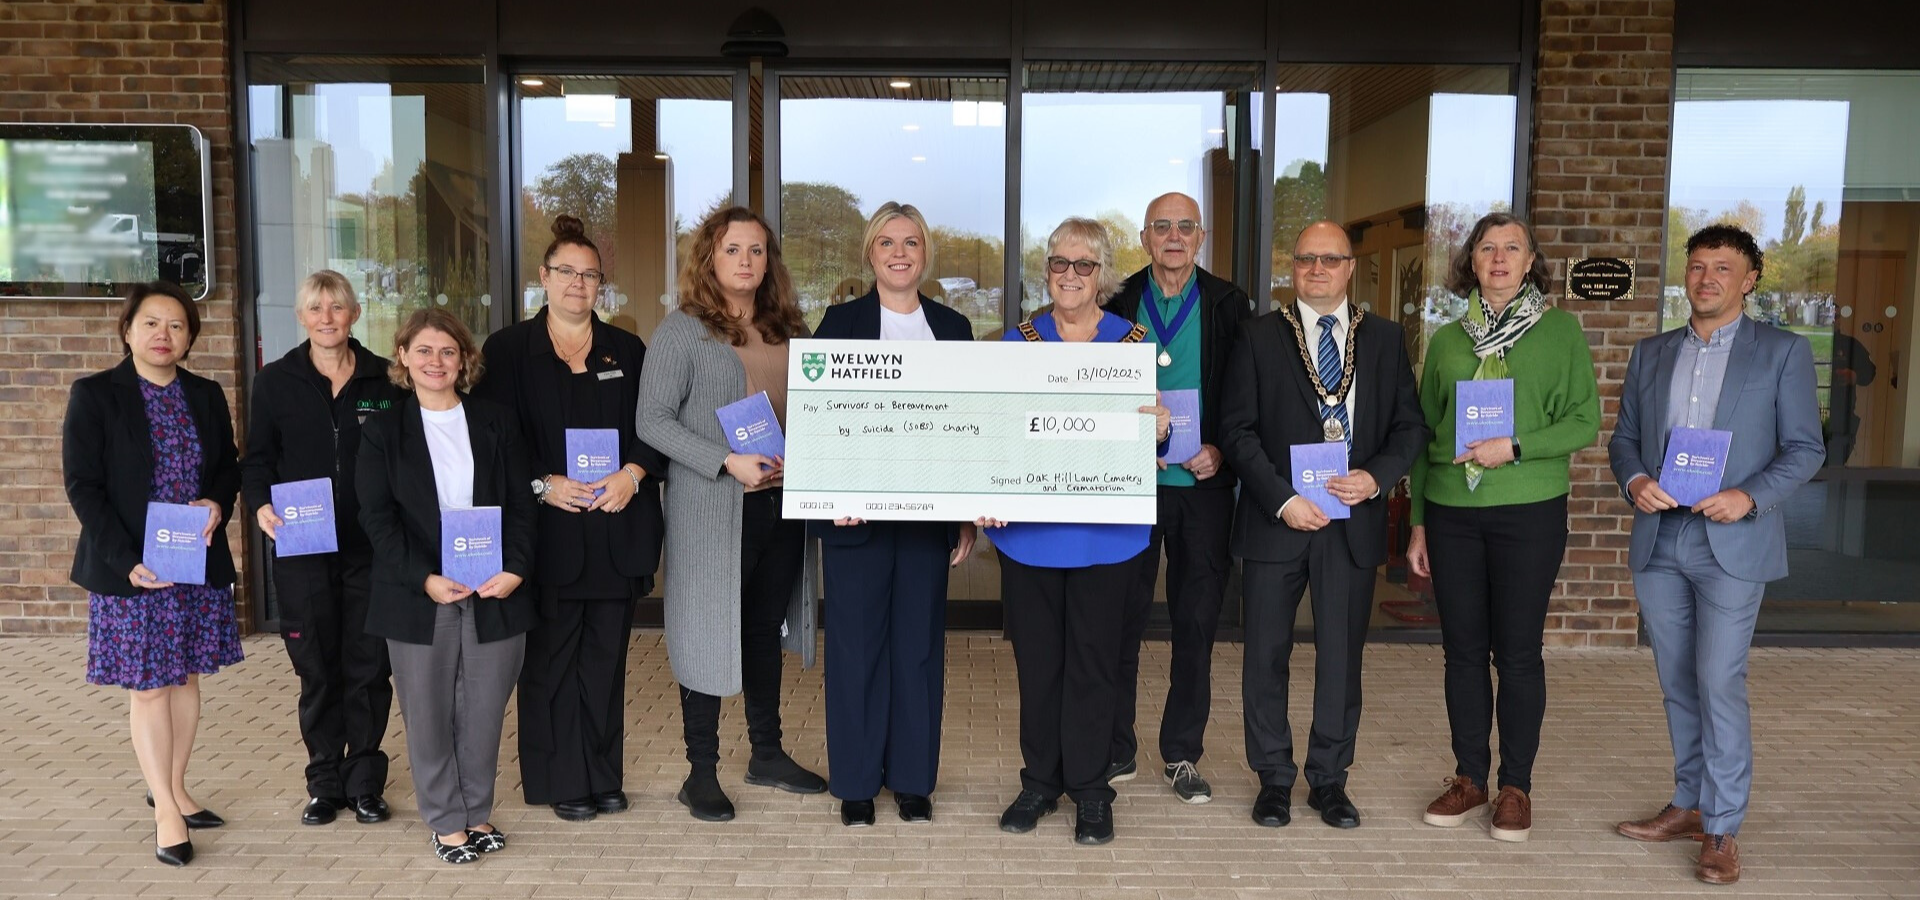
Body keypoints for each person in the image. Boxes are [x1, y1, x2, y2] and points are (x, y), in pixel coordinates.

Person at [1607, 224, 1823, 885]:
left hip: (1732, 538)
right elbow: (1625, 441)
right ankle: (1689, 802)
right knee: (1677, 681)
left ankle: (1723, 827)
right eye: (1697, 267)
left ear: (1749, 278)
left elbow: (1805, 450)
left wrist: (1749, 498)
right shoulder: (1650, 353)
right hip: (1661, 536)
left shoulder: (1782, 352)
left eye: (1721, 268)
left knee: (1718, 680)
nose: (1705, 279)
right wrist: (1636, 480)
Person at [1219, 221, 1426, 829]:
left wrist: (1377, 479)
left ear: (1350, 267)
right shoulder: (1258, 336)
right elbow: (1236, 429)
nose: (1317, 269)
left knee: (1341, 659)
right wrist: (1282, 499)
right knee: (1265, 655)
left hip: (1351, 521)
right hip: (1276, 521)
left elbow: (1410, 428)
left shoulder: (1385, 339)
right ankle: (1274, 779)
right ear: (1293, 266)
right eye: (1306, 259)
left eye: (1330, 259)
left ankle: (1329, 781)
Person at [1406, 212, 1599, 842]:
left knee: (1516, 653)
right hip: (1452, 513)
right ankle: (1469, 777)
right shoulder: (1446, 339)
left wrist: (1513, 446)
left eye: (1512, 247)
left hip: (1528, 509)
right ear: (1471, 261)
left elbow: (1584, 423)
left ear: (1530, 260)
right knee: (1461, 652)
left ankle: (1516, 786)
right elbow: (1422, 436)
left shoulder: (1560, 332)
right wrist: (1417, 525)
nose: (1498, 257)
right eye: (1487, 247)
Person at [472, 216, 666, 823]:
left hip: (614, 530)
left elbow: (654, 430)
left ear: (600, 285)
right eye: (566, 272)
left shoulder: (627, 349)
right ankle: (562, 779)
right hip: (547, 533)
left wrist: (632, 475)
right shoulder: (507, 351)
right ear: (544, 277)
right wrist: (541, 482)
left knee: (605, 663)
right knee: (551, 662)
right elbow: (493, 440)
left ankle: (603, 774)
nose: (578, 284)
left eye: (589, 275)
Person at [637, 206, 825, 823]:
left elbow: (809, 413)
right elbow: (652, 422)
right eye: (733, 250)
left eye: (757, 251)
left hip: (779, 508)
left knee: (762, 631)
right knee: (707, 629)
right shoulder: (683, 330)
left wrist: (805, 458)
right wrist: (724, 460)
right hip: (714, 513)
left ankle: (766, 753)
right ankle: (701, 773)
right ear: (709, 259)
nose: (746, 261)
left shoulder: (787, 328)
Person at [989, 217, 1170, 846]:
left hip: (1108, 534)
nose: (1070, 276)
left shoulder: (1131, 345)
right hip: (1030, 535)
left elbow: (1152, 436)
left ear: (1102, 275)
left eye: (1083, 265)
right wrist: (982, 489)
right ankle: (1040, 781)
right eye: (1059, 264)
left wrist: (1161, 427)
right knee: (1038, 666)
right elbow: (995, 431)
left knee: (1095, 666)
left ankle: (1092, 791)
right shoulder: (1017, 342)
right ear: (1047, 272)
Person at [63, 281, 243, 867]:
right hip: (133, 568)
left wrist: (217, 503)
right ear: (128, 330)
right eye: (151, 323)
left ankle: (177, 785)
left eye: (176, 326)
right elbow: (83, 487)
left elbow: (228, 469)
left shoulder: (205, 394)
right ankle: (165, 808)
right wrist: (126, 559)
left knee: (186, 679)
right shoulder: (96, 395)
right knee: (151, 687)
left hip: (193, 562)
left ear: (190, 337)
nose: (163, 335)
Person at [811, 202, 977, 828]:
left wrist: (964, 515)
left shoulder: (954, 328)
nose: (899, 252)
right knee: (855, 648)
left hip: (927, 521)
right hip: (856, 519)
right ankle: (855, 782)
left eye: (911, 242)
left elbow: (966, 430)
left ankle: (912, 779)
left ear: (925, 253)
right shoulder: (839, 323)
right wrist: (830, 497)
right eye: (887, 242)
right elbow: (821, 421)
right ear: (870, 253)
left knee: (917, 650)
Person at [356, 308, 536, 864]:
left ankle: (476, 810)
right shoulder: (384, 429)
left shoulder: (496, 421)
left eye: (448, 351)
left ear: (465, 360)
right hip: (419, 594)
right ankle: (444, 819)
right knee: (428, 710)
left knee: (483, 708)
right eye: (425, 351)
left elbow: (524, 505)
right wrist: (424, 578)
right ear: (404, 358)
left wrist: (517, 568)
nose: (437, 361)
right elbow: (376, 518)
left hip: (493, 591)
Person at [242, 270, 405, 827]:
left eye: (337, 308)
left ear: (354, 314)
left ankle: (364, 782)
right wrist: (260, 503)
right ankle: (323, 783)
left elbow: (405, 462)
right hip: (303, 547)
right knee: (317, 668)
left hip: (371, 549)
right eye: (316, 309)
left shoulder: (386, 380)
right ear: (302, 317)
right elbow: (257, 459)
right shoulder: (275, 381)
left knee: (367, 668)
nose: (327, 318)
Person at [1102, 192, 1251, 802]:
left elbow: (1246, 392)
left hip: (1203, 487)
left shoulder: (1228, 303)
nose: (1173, 236)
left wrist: (1223, 448)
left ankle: (1182, 752)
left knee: (1196, 624)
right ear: (1144, 238)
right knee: (1120, 621)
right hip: (1129, 486)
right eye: (1161, 226)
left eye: (1184, 227)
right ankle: (1115, 747)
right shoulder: (1116, 301)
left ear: (1201, 236)